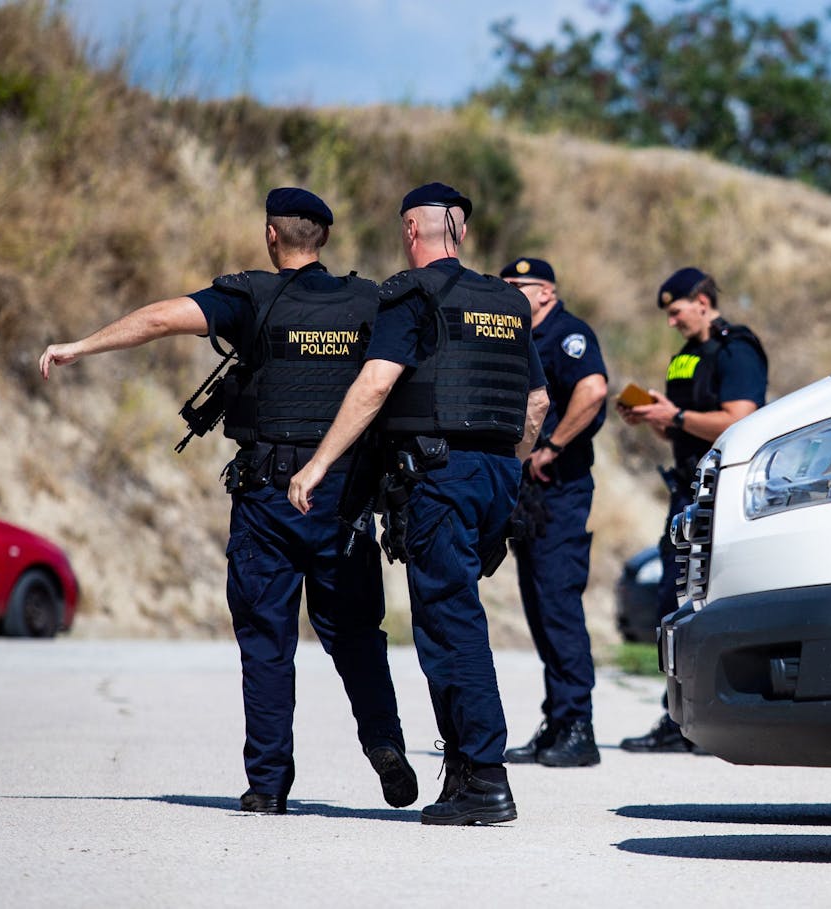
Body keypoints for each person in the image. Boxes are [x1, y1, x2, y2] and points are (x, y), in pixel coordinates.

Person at [38, 187, 417, 815]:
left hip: (269, 497)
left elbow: (160, 319)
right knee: (355, 635)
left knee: (267, 639)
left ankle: (268, 785)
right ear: (321, 238)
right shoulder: (368, 301)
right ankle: (384, 744)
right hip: (342, 494)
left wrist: (80, 346)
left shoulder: (252, 297)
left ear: (273, 236)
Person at [286, 182, 549, 826]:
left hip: (443, 476)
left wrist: (319, 463)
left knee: (449, 623)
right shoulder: (505, 302)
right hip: (496, 476)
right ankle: (462, 772)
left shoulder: (412, 294)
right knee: (452, 614)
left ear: (412, 230)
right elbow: (536, 405)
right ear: (460, 228)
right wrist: (508, 475)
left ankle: (485, 778)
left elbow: (376, 383)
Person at [617, 266, 766, 752]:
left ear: (702, 301)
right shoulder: (685, 359)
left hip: (719, 498)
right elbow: (681, 427)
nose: (671, 322)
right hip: (684, 494)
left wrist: (674, 415)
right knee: (671, 605)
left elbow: (739, 420)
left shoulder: (736, 348)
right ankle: (676, 717)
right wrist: (657, 418)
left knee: (702, 606)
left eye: (676, 310)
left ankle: (704, 721)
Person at [498, 258, 609, 768]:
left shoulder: (569, 334)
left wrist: (554, 446)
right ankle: (557, 720)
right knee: (540, 608)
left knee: (558, 605)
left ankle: (578, 727)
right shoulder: (518, 334)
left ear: (545, 292)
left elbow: (593, 390)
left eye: (517, 286)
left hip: (559, 490)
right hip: (529, 494)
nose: (509, 292)